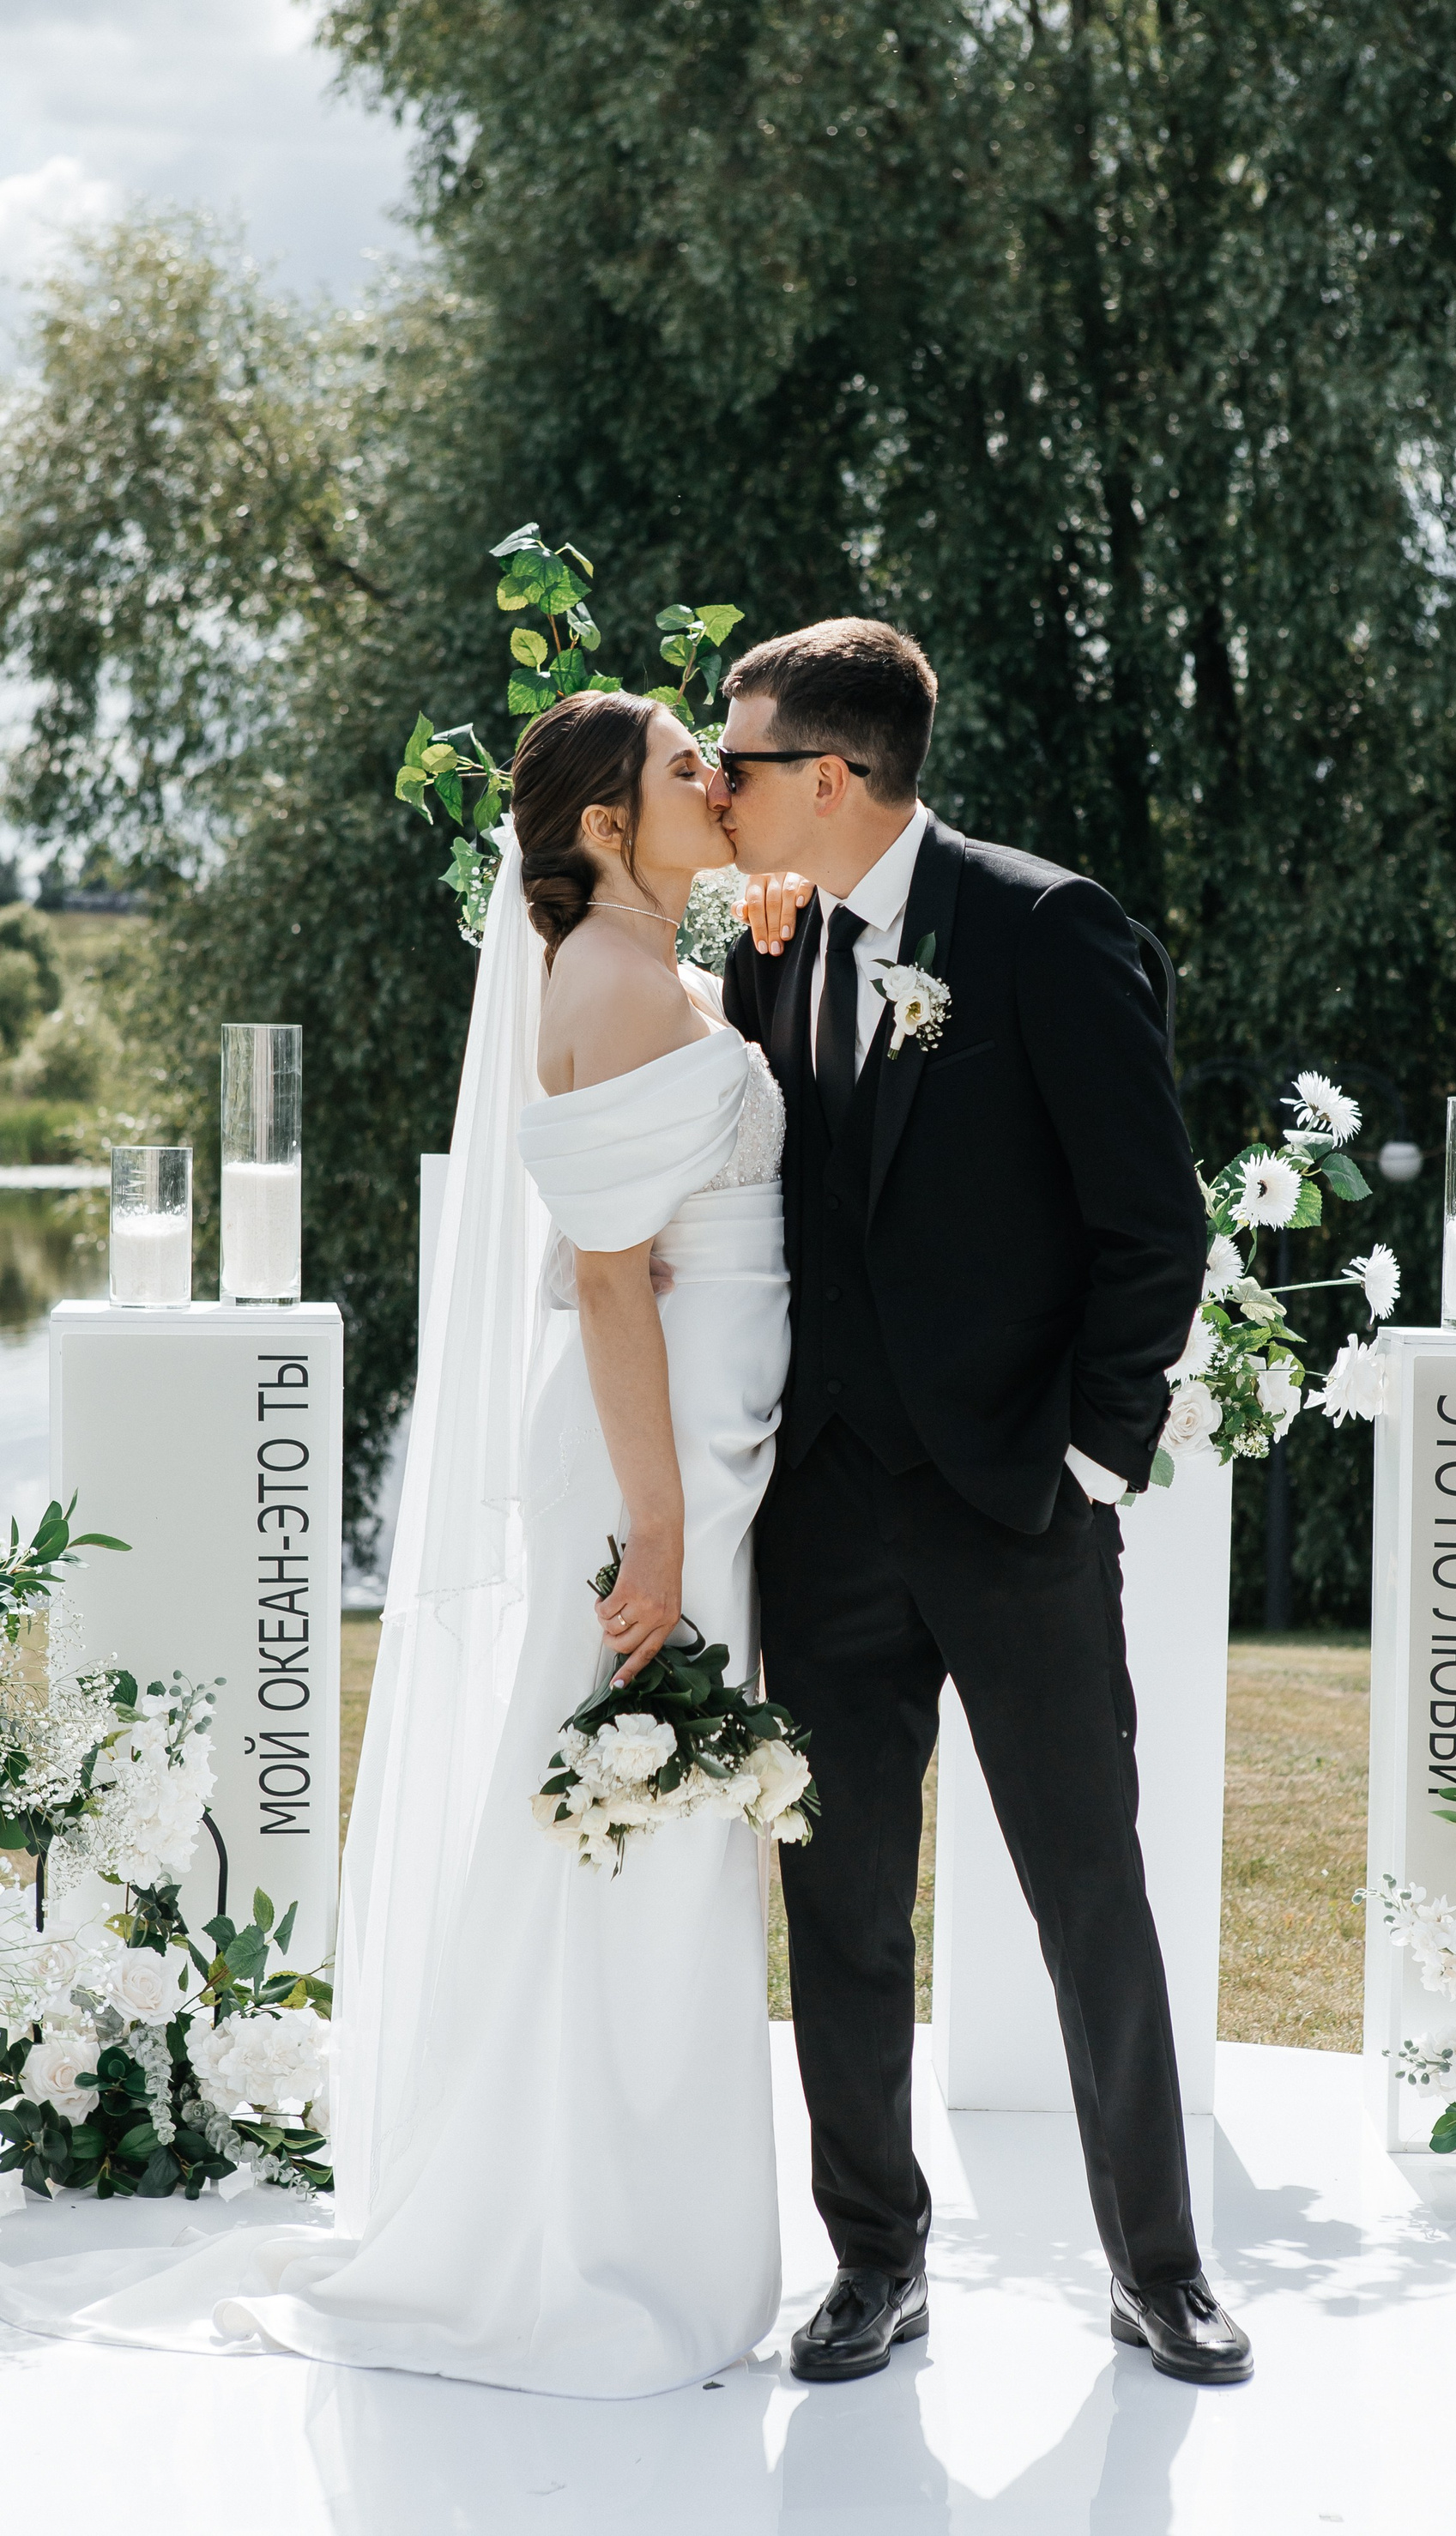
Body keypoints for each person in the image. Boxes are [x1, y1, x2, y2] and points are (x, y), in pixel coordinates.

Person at [0, 691, 793, 2396]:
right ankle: (574, 2234)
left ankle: (634, 2214)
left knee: (655, 1814)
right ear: (606, 826)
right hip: (649, 1463)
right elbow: (607, 1282)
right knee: (622, 1807)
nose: (718, 780)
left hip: (698, 1443)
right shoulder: (617, 984)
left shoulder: (653, 970)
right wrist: (656, 1522)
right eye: (685, 768)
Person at [716, 618, 1254, 2388]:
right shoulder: (771, 952)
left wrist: (1092, 1459)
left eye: (739, 759)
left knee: (1088, 1891)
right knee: (842, 1907)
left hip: (1019, 1511)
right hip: (826, 1518)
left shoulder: (1042, 926)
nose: (716, 785)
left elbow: (1151, 1222)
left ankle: (1159, 2267)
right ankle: (877, 2255)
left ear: (833, 775)